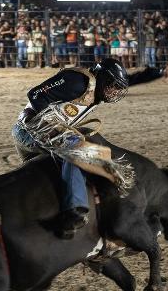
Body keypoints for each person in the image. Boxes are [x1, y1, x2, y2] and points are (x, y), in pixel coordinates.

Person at [12, 57, 131, 239]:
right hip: (29, 131)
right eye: (113, 85)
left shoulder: (93, 92)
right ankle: (74, 210)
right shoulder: (77, 82)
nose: (114, 91)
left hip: (38, 135)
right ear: (104, 78)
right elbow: (35, 94)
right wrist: (50, 126)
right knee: (78, 151)